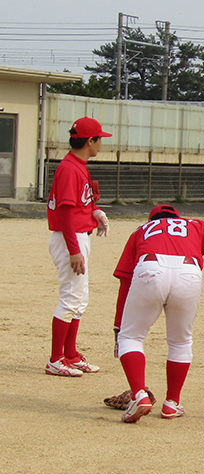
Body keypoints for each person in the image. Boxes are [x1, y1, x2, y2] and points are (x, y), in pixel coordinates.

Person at [112, 204, 204, 423]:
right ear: (177, 218)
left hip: (149, 269)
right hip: (189, 273)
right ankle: (172, 403)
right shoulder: (196, 225)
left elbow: (125, 279)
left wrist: (118, 327)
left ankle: (139, 395)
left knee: (130, 337)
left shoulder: (141, 230)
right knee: (181, 341)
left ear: (153, 219)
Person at [45, 117, 112, 377]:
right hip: (68, 238)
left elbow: (81, 203)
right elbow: (64, 212)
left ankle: (70, 355)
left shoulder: (78, 165)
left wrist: (94, 212)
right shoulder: (71, 168)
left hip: (76, 235)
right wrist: (74, 249)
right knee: (71, 298)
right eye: (99, 139)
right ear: (89, 141)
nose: (100, 144)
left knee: (80, 299)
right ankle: (55, 359)